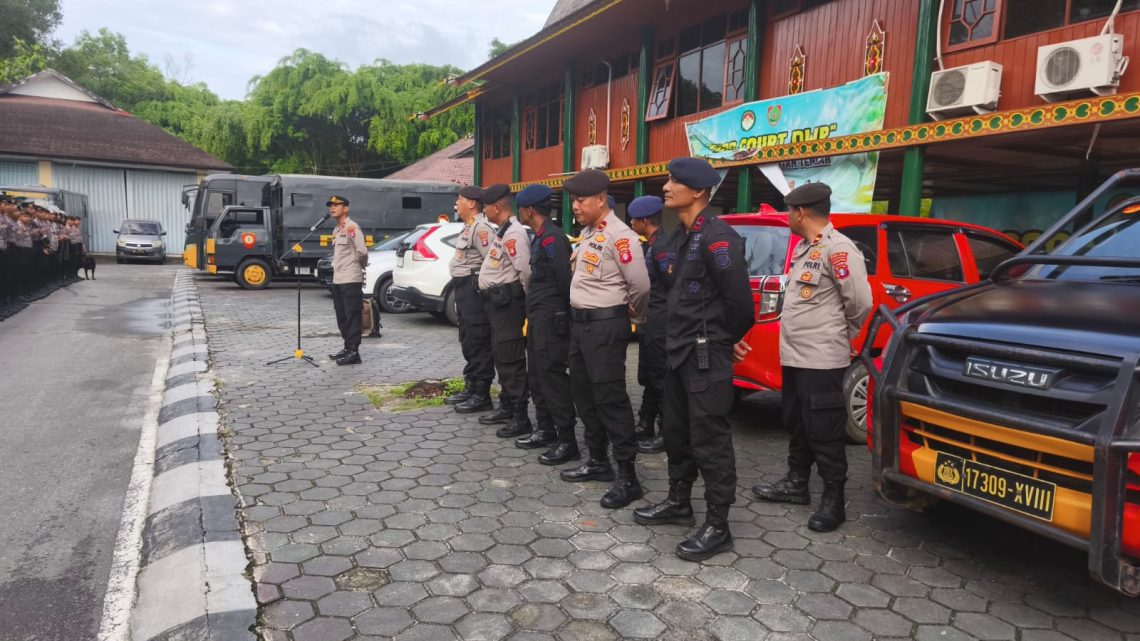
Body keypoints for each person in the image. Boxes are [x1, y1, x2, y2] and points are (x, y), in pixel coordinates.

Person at [632, 158, 753, 561]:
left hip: (704, 356)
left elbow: (741, 307)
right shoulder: (681, 237)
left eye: (674, 181)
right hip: (678, 353)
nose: (666, 187)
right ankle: (679, 502)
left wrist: (720, 341)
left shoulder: (719, 238)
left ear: (699, 191)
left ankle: (718, 525)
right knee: (677, 433)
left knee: (710, 439)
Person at [750, 182, 872, 532]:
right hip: (796, 356)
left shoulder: (839, 249)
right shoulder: (805, 247)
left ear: (801, 212)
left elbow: (859, 304)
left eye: (789, 210)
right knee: (797, 421)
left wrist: (837, 334)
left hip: (821, 358)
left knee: (825, 428)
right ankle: (796, 483)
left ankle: (834, 499)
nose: (787, 216)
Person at [560, 169, 651, 510]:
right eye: (573, 200)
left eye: (581, 200)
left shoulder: (620, 236)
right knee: (584, 395)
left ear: (600, 199)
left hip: (605, 326)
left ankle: (628, 477)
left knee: (610, 398)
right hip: (581, 326)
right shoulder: (587, 233)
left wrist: (634, 318)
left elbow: (640, 286)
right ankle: (598, 460)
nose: (575, 206)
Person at [513, 184, 579, 465]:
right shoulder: (541, 237)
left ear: (529, 210)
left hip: (552, 321)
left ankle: (567, 441)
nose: (520, 213)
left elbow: (564, 282)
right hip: (539, 320)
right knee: (538, 376)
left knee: (552, 379)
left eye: (521, 209)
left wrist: (561, 317)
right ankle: (546, 429)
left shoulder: (552, 240)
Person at [476, 184, 533, 438]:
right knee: (502, 357)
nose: (483, 210)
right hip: (497, 305)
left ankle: (521, 417)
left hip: (508, 306)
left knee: (511, 360)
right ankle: (507, 406)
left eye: (486, 206)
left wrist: (527, 305)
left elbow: (526, 272)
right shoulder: (504, 231)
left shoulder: (514, 234)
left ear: (496, 207)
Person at [626, 195, 671, 454]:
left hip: (659, 322)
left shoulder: (662, 247)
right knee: (649, 376)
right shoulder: (653, 244)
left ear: (644, 220)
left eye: (633, 219)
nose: (631, 222)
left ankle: (667, 432)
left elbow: (669, 286)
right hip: (649, 320)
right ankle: (646, 424)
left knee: (660, 378)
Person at [447, 186, 497, 413]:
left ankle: (481, 393)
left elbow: (492, 262)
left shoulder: (482, 228)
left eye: (460, 199)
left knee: (478, 340)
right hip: (463, 289)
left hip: (473, 288)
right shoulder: (469, 227)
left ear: (472, 203)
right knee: (467, 338)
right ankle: (471, 385)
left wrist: (480, 288)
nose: (456, 203)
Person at [325, 195, 369, 366]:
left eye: (337, 205)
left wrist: (358, 267)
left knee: (352, 315)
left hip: (351, 278)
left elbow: (362, 252)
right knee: (341, 315)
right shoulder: (337, 230)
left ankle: (354, 352)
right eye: (331, 205)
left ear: (346, 208)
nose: (332, 208)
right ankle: (347, 347)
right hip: (339, 278)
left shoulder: (352, 228)